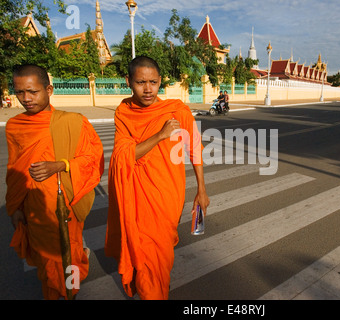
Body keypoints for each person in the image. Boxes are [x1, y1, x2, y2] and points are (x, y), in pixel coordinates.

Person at [105, 56, 210, 300]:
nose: (148, 89)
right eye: (141, 82)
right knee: (145, 257)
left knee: (159, 255)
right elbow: (124, 156)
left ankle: (157, 287)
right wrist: (160, 136)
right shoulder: (123, 112)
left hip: (166, 196)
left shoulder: (176, 111)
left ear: (160, 81)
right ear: (128, 81)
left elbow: (195, 149)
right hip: (137, 196)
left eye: (153, 82)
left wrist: (201, 190)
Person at [5, 64, 104, 300]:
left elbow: (93, 158)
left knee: (68, 254)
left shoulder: (72, 121)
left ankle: (71, 292)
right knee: (46, 260)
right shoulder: (14, 127)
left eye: (33, 91)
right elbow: (14, 169)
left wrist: (60, 165)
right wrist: (15, 207)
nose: (26, 99)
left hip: (64, 206)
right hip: (34, 208)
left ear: (48, 90)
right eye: (19, 92)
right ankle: (53, 289)